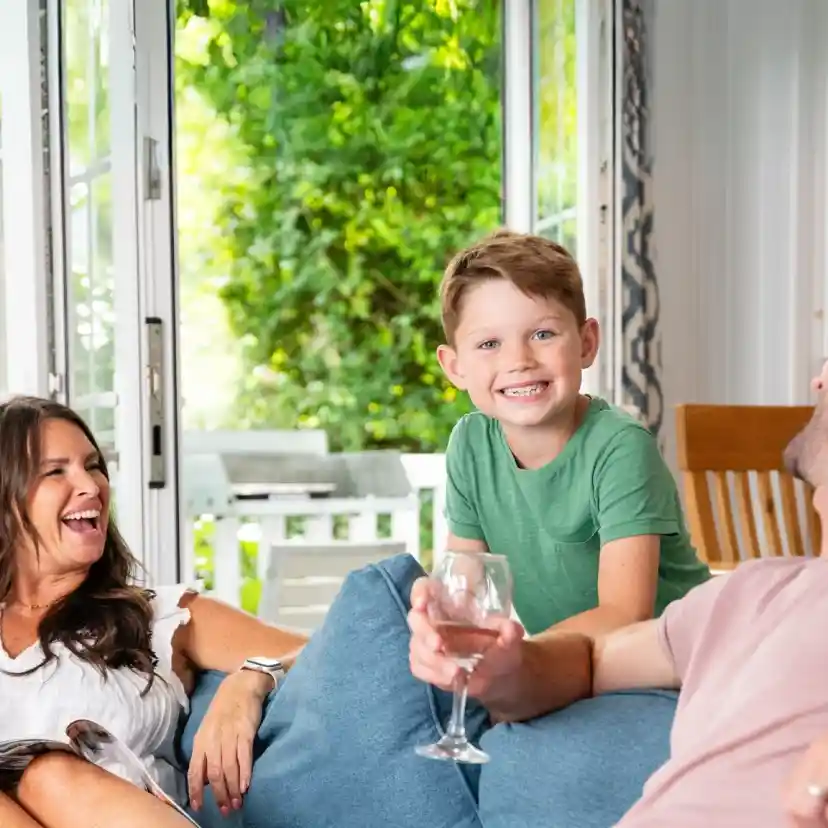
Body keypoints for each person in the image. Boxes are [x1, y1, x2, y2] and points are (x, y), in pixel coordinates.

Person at [412, 358, 828, 827]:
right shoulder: (753, 592)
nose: (819, 378)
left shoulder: (617, 444)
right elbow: (591, 662)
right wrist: (505, 668)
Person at [410, 230, 709, 699]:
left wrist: (518, 661)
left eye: (543, 334)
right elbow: (464, 585)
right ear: (454, 366)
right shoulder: (470, 444)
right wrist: (441, 630)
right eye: (489, 344)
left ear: (587, 342)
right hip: (568, 668)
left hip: (669, 673)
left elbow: (623, 614)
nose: (520, 361)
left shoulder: (620, 448)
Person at [0, 396, 308, 828]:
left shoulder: (160, 615)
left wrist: (253, 676)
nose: (91, 486)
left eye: (93, 466)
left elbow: (327, 649)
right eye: (56, 471)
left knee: (48, 776)